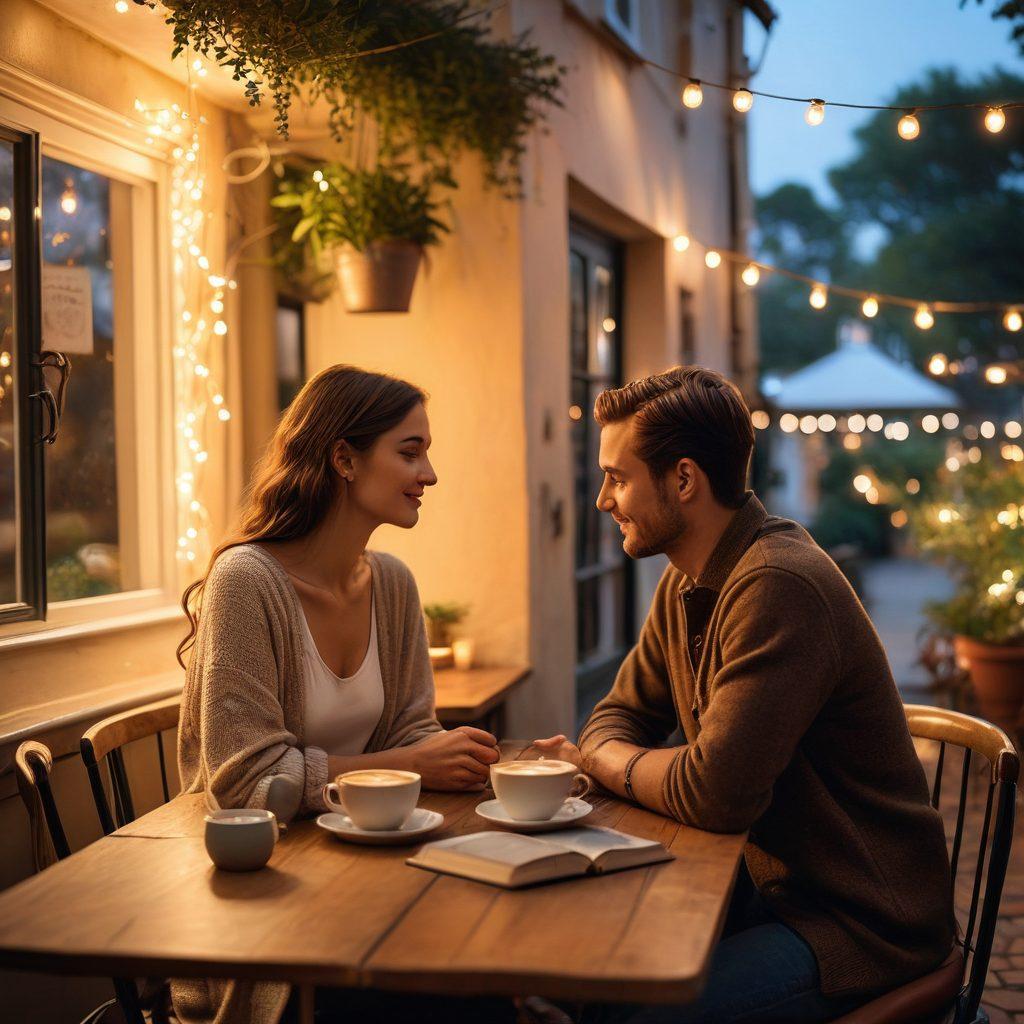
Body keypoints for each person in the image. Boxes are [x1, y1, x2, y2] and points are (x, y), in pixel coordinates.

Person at [532, 366, 955, 1024]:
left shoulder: (778, 584)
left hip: (862, 923)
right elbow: (616, 714)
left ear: (683, 480)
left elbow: (715, 794)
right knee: (587, 973)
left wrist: (601, 763)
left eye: (617, 477)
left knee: (629, 1017)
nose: (602, 500)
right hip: (768, 887)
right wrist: (615, 751)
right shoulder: (686, 582)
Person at [174, 364, 504, 1024]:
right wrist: (412, 765)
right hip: (265, 908)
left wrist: (477, 759)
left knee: (499, 947)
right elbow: (245, 786)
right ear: (344, 459)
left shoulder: (392, 584)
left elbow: (413, 730)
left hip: (366, 875)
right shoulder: (247, 581)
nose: (429, 474)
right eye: (410, 452)